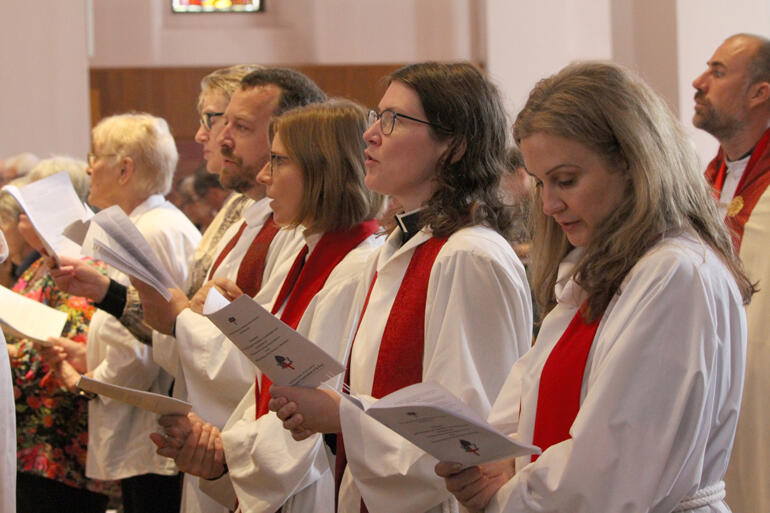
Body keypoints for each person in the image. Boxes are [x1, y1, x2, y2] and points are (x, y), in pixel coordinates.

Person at [436, 61, 753, 513]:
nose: (548, 205)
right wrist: (491, 462)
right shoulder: (596, 268)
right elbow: (529, 394)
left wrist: (505, 494)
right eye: (542, 182)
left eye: (566, 180)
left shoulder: (676, 273)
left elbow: (614, 462)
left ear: (632, 162)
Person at [269, 62, 533, 513]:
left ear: (453, 144)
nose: (371, 134)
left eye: (393, 121)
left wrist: (340, 415)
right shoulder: (402, 248)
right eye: (376, 116)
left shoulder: (470, 256)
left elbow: (468, 436)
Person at [154, 99, 384, 513]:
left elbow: (312, 409)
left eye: (277, 161)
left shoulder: (353, 269)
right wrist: (222, 446)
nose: (263, 175)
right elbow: (270, 378)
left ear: (322, 170)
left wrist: (226, 452)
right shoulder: (307, 252)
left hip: (312, 484)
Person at [49, 113, 200, 513]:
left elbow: (153, 340)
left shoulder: (152, 229)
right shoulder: (143, 223)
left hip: (151, 427)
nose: (88, 167)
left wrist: (88, 379)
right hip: (142, 423)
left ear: (124, 168)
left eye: (94, 155)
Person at [5, 157, 120, 513]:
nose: (22, 216)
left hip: (61, 441)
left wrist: (8, 353)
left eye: (29, 207)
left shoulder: (84, 262)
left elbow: (72, 343)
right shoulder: (43, 261)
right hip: (33, 439)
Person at [692, 33, 770, 513]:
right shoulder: (706, 180)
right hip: (715, 380)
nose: (698, 83)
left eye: (718, 72)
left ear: (760, 92)